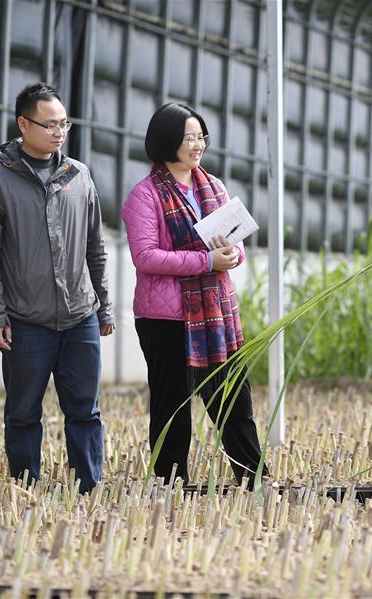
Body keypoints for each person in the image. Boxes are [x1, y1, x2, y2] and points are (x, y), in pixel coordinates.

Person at [0, 82, 114, 493]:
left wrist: (103, 308)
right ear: (22, 124)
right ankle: (24, 488)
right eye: (49, 124)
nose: (59, 132)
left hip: (79, 318)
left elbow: (95, 248)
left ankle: (90, 485)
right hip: (25, 322)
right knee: (23, 413)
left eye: (64, 123)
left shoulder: (79, 175)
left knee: (85, 410)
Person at [122, 102, 267, 487]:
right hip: (165, 319)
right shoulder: (145, 195)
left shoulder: (213, 186)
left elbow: (236, 245)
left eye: (201, 136)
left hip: (215, 313)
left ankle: (254, 479)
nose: (197, 144)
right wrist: (206, 261)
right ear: (166, 141)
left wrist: (232, 255)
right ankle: (169, 484)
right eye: (189, 137)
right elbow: (146, 256)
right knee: (172, 406)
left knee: (234, 399)